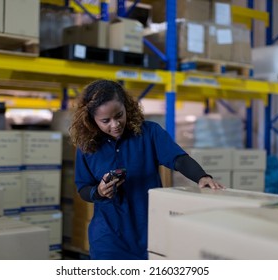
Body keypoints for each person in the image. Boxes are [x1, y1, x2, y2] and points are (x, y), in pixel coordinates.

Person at [69, 79, 224, 260]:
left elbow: (178, 159)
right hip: (108, 239)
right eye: (105, 121)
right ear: (91, 120)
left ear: (127, 107)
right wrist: (99, 192)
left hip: (148, 234)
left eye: (119, 115)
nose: (115, 124)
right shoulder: (87, 147)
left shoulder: (149, 133)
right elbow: (83, 188)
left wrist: (201, 176)